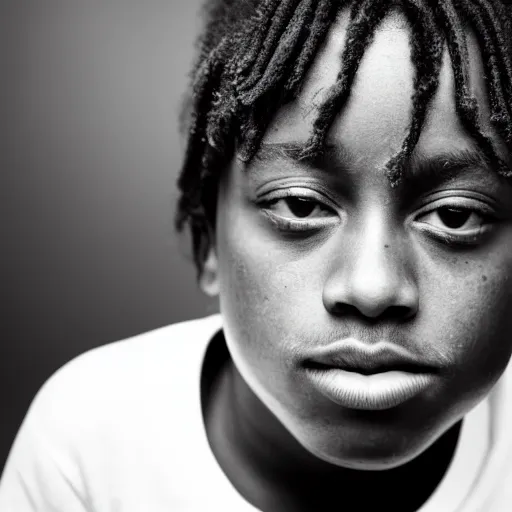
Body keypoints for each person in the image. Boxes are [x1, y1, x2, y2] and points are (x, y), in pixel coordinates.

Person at [2, 0, 512, 510]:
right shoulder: (86, 448)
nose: (372, 288)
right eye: (300, 205)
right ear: (208, 246)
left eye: (455, 216)